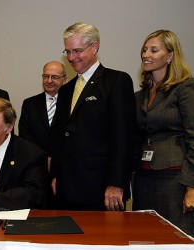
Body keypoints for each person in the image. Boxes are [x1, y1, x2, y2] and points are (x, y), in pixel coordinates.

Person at [50, 22, 136, 211]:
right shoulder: (65, 90)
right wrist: (56, 175)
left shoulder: (116, 81)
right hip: (66, 189)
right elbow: (59, 136)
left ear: (94, 47)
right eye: (68, 52)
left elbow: (124, 137)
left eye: (77, 51)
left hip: (102, 190)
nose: (72, 58)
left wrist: (117, 183)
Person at [132, 30, 194, 239]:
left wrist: (192, 187)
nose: (146, 54)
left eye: (154, 50)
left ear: (171, 55)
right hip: (143, 179)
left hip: (174, 181)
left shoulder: (186, 87)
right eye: (145, 49)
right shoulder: (139, 96)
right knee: (144, 239)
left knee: (176, 239)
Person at [19, 61, 67, 208]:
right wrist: (43, 157)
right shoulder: (29, 103)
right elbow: (25, 135)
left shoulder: (70, 104)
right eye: (46, 76)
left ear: (64, 79)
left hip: (64, 169)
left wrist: (55, 158)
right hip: (36, 167)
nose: (49, 81)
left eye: (54, 77)